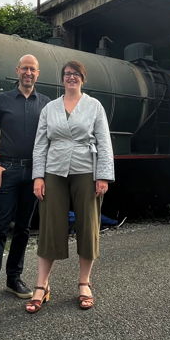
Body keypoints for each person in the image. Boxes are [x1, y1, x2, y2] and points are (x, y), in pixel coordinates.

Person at [28, 60, 114, 312]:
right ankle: (42, 285)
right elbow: (40, 143)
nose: (71, 78)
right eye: (67, 74)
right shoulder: (50, 108)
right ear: (62, 78)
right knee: (50, 224)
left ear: (83, 79)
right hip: (53, 170)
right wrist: (38, 176)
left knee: (88, 225)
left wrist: (103, 176)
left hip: (86, 170)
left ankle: (84, 283)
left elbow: (104, 142)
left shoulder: (94, 106)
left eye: (76, 74)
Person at [0, 54, 50, 317]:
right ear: (17, 71)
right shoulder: (2, 100)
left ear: (38, 74)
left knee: (24, 230)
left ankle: (14, 279)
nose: (28, 73)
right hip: (8, 170)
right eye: (25, 68)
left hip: (35, 171)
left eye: (33, 69)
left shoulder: (46, 104)